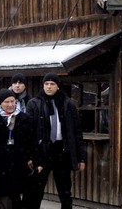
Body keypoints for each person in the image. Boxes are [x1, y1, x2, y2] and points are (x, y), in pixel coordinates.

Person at [26, 73, 86, 209]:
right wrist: (30, 156)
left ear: (57, 86)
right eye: (46, 84)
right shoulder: (34, 104)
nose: (49, 87)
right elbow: (28, 133)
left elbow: (76, 132)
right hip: (42, 152)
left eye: (52, 84)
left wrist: (81, 158)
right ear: (43, 85)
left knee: (65, 192)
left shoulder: (68, 103)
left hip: (62, 151)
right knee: (35, 191)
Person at [0, 89, 32, 209]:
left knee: (17, 198)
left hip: (18, 163)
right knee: (4, 198)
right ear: (0, 103)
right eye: (7, 102)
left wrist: (30, 158)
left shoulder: (24, 118)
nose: (10, 105)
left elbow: (30, 141)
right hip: (0, 165)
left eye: (13, 101)